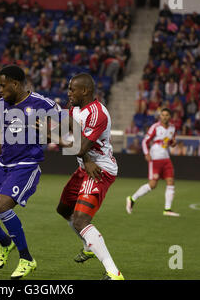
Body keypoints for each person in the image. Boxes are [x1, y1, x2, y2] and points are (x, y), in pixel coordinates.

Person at [0, 65, 60, 279]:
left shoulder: (44, 104)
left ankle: (27, 259)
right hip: (2, 166)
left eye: (3, 85)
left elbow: (67, 135)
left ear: (16, 84)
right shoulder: (2, 103)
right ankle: (5, 243)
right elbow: (2, 135)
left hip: (26, 165)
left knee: (1, 206)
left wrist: (45, 132)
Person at [53, 73, 124, 280]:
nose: (69, 93)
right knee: (64, 209)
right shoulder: (75, 107)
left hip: (100, 170)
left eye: (72, 89)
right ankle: (90, 246)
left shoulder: (97, 114)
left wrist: (53, 138)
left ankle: (114, 272)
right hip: (86, 167)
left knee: (81, 220)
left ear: (85, 91)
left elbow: (79, 147)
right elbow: (66, 127)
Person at [126, 108, 179, 217]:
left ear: (170, 117)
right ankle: (132, 199)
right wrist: (146, 153)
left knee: (170, 181)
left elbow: (170, 142)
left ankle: (167, 209)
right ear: (160, 116)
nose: (164, 117)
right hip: (155, 158)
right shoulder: (155, 127)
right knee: (153, 185)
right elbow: (145, 141)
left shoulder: (173, 128)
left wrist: (173, 143)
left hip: (166, 158)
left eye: (167, 115)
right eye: (162, 115)